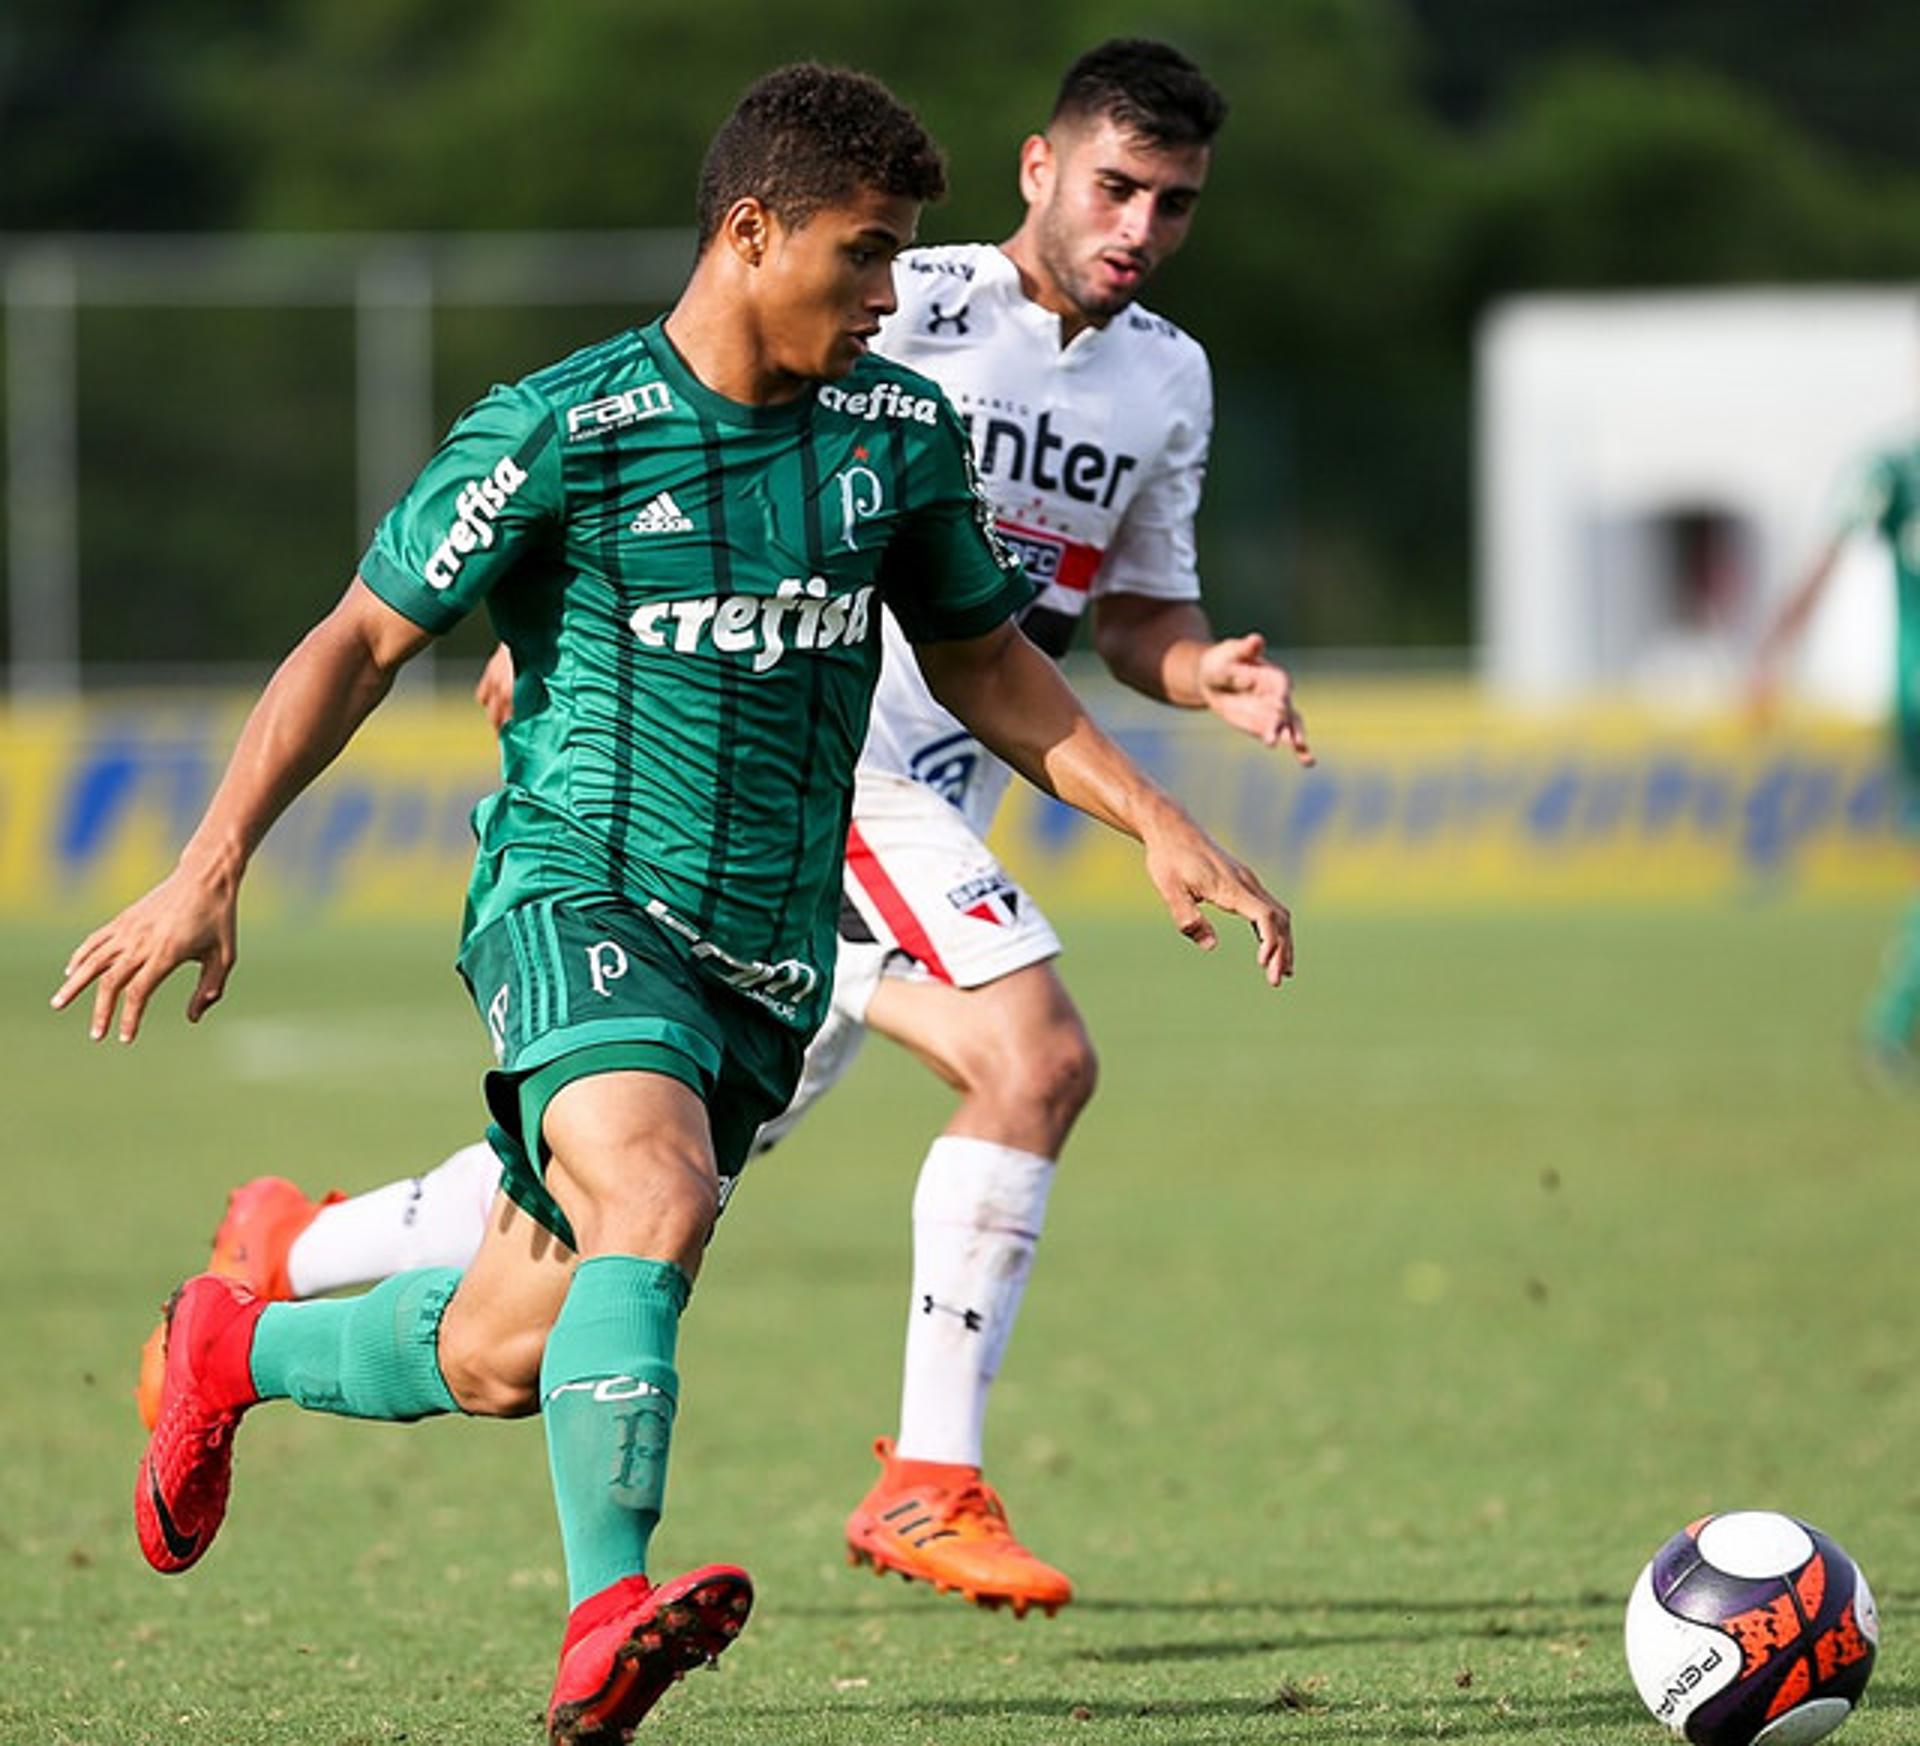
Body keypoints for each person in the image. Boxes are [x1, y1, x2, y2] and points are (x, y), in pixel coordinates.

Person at [57, 61, 1293, 1746]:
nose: (887, 298)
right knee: (659, 1197)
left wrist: (1157, 819)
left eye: (898, 259)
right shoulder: (564, 425)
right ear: (749, 233)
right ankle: (605, 1621)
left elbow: (991, 661)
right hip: (579, 894)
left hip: (764, 957)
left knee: (505, 1349)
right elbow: (357, 639)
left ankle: (232, 1348)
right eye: (863, 259)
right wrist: (208, 866)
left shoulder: (894, 437)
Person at [1751, 440, 1920, 1080]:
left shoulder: (1890, 468)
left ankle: (1894, 1022)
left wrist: (1771, 649)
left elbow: (1825, 558)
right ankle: (1890, 1023)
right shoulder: (1895, 470)